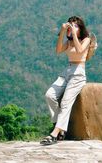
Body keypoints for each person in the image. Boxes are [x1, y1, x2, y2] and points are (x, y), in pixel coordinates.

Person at [40, 15, 91, 145]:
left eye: (75, 25)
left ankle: (54, 134)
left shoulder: (86, 39)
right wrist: (63, 32)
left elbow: (80, 51)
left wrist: (73, 34)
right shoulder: (68, 42)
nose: (72, 27)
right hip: (67, 71)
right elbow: (58, 50)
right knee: (49, 95)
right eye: (70, 25)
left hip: (78, 73)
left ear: (80, 28)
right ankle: (59, 126)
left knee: (66, 103)